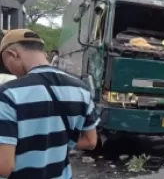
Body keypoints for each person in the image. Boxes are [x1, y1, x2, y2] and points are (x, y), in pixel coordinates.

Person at [0, 29, 99, 178]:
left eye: (5, 63)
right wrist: (53, 143)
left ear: (12, 54)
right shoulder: (81, 89)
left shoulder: (8, 94)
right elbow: (91, 141)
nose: (9, 70)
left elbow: (4, 167)